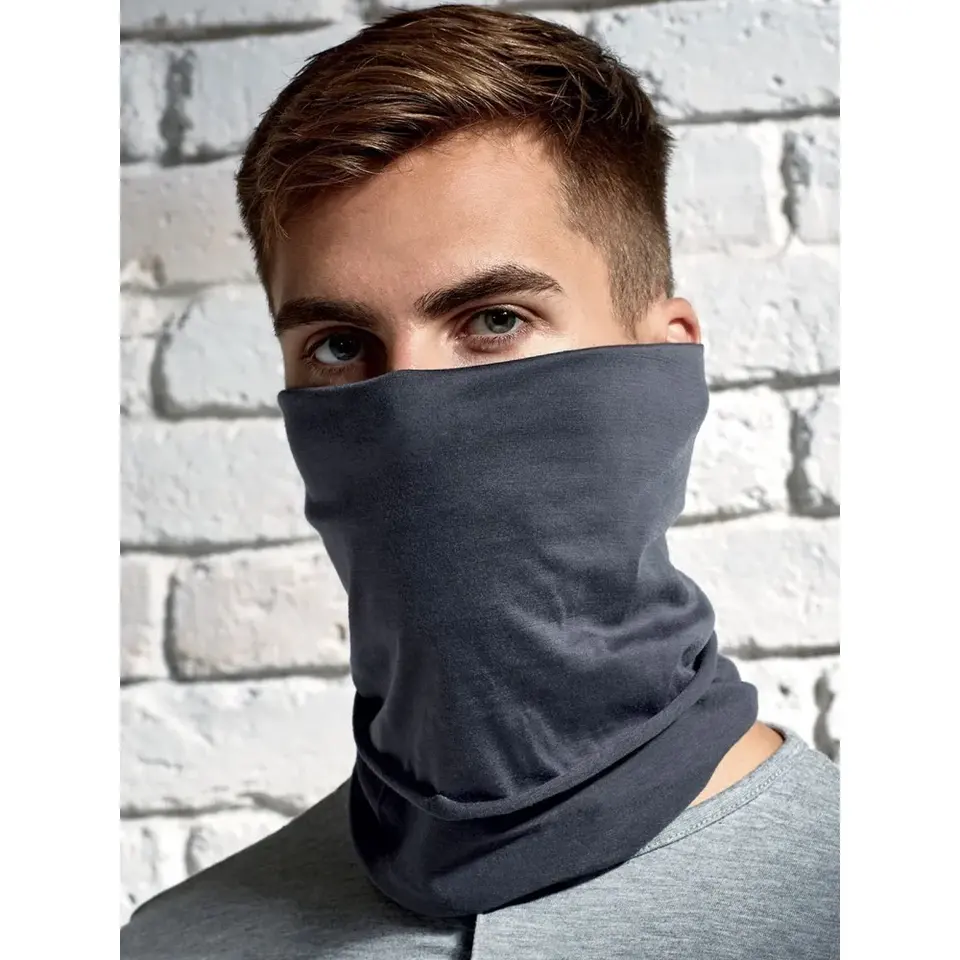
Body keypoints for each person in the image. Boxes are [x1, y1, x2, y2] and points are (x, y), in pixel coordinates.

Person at [120, 5, 839, 958]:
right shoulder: (183, 943)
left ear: (663, 362)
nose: (408, 409)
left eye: (494, 320)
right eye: (338, 345)